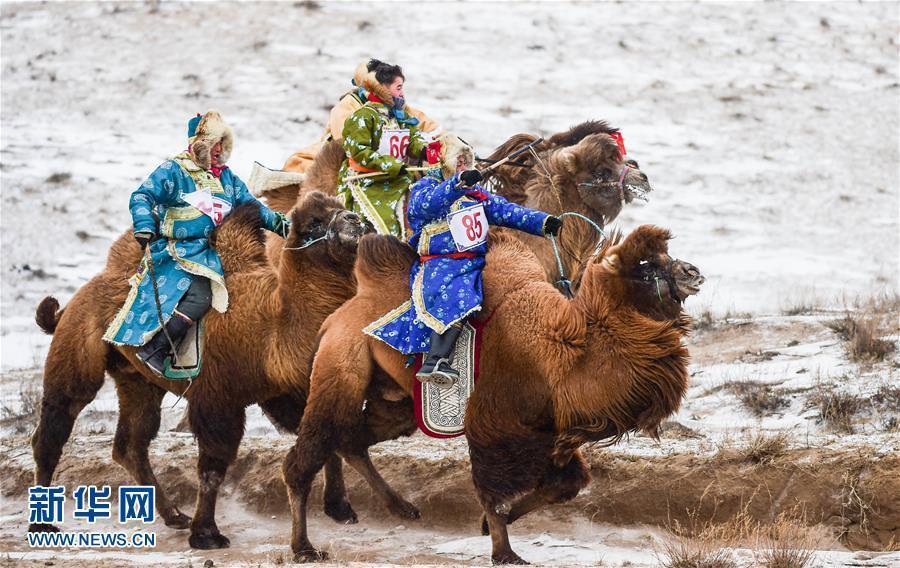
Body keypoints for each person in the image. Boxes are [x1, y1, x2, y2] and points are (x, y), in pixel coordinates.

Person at [364, 134, 562, 388]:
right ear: (446, 163)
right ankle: (435, 360)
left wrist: (542, 222)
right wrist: (455, 185)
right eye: (458, 163)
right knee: (458, 295)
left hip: (476, 261)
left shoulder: (475, 194)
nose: (463, 168)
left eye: (466, 163)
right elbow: (424, 207)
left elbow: (505, 210)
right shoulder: (425, 187)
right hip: (443, 263)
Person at [103, 110, 290, 376]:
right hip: (180, 253)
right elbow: (142, 195)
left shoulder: (227, 178)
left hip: (217, 252)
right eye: (214, 143)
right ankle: (156, 348)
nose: (219, 149)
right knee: (200, 297)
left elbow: (254, 208)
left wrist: (290, 229)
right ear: (199, 143)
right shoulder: (174, 170)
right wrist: (144, 226)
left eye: (223, 143)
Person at [336, 60, 441, 238]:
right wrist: (391, 164)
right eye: (398, 88)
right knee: (389, 226)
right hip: (369, 181)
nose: (402, 93)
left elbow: (412, 138)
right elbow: (360, 152)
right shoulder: (362, 117)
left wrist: (425, 150)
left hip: (399, 178)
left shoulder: (399, 117)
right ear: (383, 88)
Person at [283, 59, 440, 173]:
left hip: (391, 164)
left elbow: (423, 124)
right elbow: (348, 144)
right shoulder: (348, 107)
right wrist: (385, 161)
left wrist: (440, 142)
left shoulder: (397, 107)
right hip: (348, 160)